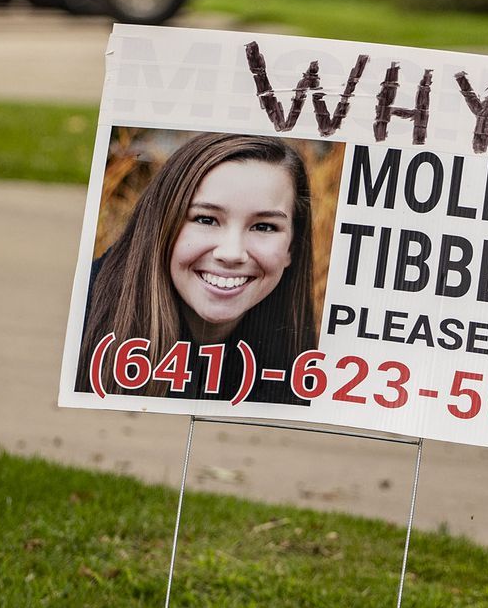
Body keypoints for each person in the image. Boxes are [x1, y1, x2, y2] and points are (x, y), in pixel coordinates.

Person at [77, 132, 318, 405]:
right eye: (206, 219)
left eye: (264, 226)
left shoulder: (302, 366)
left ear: (292, 248)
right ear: (161, 227)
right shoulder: (81, 320)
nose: (231, 253)